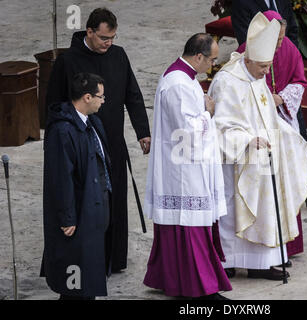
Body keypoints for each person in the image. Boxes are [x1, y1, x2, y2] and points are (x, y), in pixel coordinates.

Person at [46, 8, 151, 273]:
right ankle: (89, 262)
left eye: (113, 37)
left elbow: (133, 94)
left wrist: (142, 131)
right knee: (88, 202)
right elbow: (53, 105)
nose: (109, 43)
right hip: (80, 143)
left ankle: (114, 259)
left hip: (113, 141)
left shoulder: (118, 55)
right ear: (89, 32)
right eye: (104, 37)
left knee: (114, 201)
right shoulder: (67, 62)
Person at [209, 12, 307, 281]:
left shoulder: (256, 76)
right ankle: (229, 261)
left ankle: (261, 263)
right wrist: (247, 141)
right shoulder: (227, 81)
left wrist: (288, 139)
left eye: (268, 67)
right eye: (264, 67)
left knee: (267, 208)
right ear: (249, 58)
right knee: (235, 213)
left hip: (265, 157)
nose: (267, 72)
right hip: (238, 161)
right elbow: (220, 127)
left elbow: (268, 117)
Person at [142, 33, 232, 300]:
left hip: (185, 165)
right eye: (212, 60)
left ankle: (168, 278)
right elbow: (188, 133)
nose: (213, 65)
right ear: (199, 56)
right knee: (190, 226)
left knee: (180, 228)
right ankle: (201, 288)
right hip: (183, 169)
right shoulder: (178, 84)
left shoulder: (185, 76)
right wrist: (208, 112)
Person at [236, 11, 307, 209]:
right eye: (277, 38)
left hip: (284, 112)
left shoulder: (289, 48)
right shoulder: (248, 51)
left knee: (297, 149)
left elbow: (299, 81)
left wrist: (281, 98)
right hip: (257, 117)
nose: (280, 42)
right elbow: (239, 84)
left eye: (282, 37)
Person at [41, 72, 112, 300]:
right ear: (87, 97)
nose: (104, 101)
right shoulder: (63, 130)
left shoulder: (93, 122)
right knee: (76, 277)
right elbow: (61, 178)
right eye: (101, 96)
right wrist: (67, 216)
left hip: (95, 207)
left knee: (88, 271)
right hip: (80, 212)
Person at [231, 0, 299, 47]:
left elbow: (292, 29)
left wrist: (291, 54)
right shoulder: (241, 2)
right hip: (260, 62)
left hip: (288, 55)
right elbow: (246, 41)